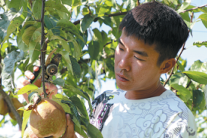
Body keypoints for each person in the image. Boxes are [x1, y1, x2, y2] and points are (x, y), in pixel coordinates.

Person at [19, 1, 197, 138]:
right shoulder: (105, 101)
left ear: (166, 66)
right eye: (121, 48)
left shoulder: (175, 119)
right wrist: (48, 103)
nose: (122, 64)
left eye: (137, 57)